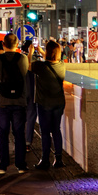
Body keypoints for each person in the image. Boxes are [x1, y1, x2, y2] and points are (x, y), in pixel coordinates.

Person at [0, 33, 29, 174]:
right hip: (19, 101)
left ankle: (2, 165)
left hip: (1, 102)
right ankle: (21, 165)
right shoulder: (23, 58)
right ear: (17, 44)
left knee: (2, 134)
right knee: (19, 134)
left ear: (3, 44)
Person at [31, 39, 67, 170]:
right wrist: (41, 51)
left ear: (47, 52)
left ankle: (45, 160)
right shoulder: (62, 65)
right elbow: (51, 59)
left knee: (45, 132)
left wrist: (30, 52)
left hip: (44, 103)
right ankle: (58, 159)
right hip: (58, 102)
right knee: (56, 130)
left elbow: (27, 66)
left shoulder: (40, 66)